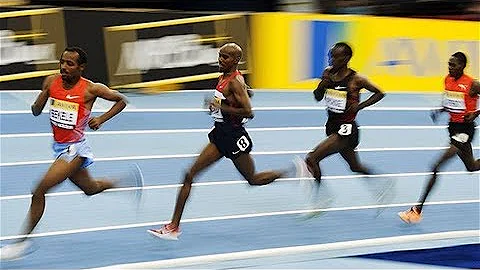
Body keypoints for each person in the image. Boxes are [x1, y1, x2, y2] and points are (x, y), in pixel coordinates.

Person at [0, 46, 143, 260]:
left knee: (38, 191)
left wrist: (101, 119)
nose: (64, 67)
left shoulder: (91, 89)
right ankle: (124, 181)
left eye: (70, 64)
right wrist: (44, 96)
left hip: (74, 150)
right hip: (59, 147)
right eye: (62, 62)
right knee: (90, 189)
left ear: (81, 67)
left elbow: (122, 100)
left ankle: (21, 243)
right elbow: (35, 111)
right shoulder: (51, 81)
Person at [147, 43, 290, 240]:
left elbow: (249, 112)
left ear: (236, 60)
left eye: (226, 58)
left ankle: (290, 171)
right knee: (189, 174)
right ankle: (173, 227)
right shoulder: (223, 77)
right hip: (220, 135)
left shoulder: (235, 82)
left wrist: (220, 106)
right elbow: (241, 96)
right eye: (220, 56)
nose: (220, 60)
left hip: (234, 137)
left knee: (253, 179)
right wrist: (220, 105)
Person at [295, 42, 392, 215]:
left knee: (312, 158)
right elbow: (317, 97)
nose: (332, 59)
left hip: (347, 129)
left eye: (335, 56)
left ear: (346, 58)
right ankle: (383, 182)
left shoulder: (357, 79)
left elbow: (379, 93)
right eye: (331, 56)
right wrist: (321, 85)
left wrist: (359, 106)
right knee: (355, 167)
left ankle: (322, 199)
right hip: (332, 125)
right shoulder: (327, 74)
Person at [398, 52, 480, 223]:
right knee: (471, 166)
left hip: (465, 131)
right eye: (449, 64)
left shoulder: (473, 84)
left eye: (454, 65)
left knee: (436, 165)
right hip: (452, 128)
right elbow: (451, 101)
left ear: (463, 66)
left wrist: (476, 113)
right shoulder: (447, 80)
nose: (450, 67)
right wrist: (440, 110)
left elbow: (470, 106)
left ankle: (416, 211)